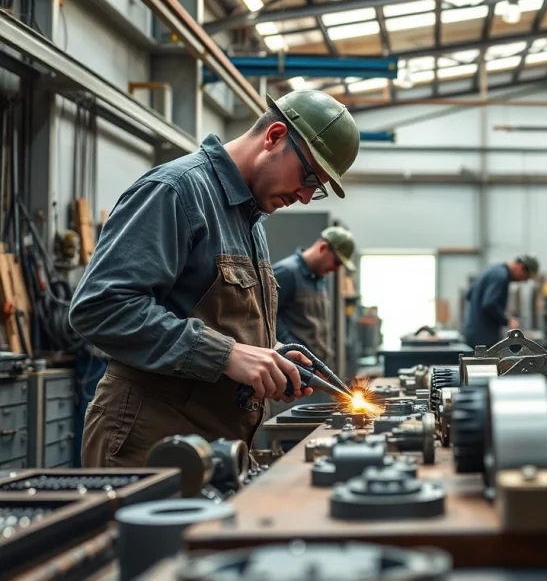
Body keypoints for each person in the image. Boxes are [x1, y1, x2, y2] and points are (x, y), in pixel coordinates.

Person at [69, 90, 361, 468]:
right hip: (149, 447)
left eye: (316, 189)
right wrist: (227, 355)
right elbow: (100, 307)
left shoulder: (250, 221)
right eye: (308, 177)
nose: (305, 197)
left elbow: (216, 318)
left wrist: (269, 353)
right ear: (274, 137)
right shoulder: (177, 190)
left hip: (214, 449)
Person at [274, 226, 356, 363]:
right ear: (323, 248)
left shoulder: (319, 279)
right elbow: (267, 317)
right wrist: (293, 349)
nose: (336, 269)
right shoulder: (286, 272)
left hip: (316, 364)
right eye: (336, 262)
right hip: (296, 365)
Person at [462, 256, 539, 348]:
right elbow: (489, 304)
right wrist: (508, 321)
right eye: (525, 277)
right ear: (520, 267)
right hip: (484, 338)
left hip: (473, 333)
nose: (521, 281)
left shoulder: (492, 270)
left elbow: (469, 294)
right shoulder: (500, 276)